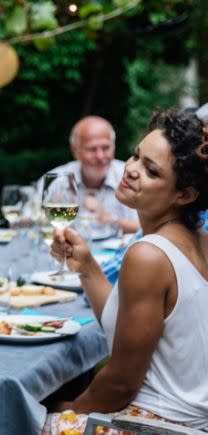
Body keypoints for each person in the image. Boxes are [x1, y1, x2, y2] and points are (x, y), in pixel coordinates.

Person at [45, 110, 208, 432]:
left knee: (8, 411)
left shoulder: (148, 255)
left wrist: (70, 411)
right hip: (192, 423)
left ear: (185, 194)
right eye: (136, 155)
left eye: (150, 171)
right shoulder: (198, 241)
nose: (131, 170)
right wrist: (87, 267)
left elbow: (120, 383)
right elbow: (129, 327)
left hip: (153, 423)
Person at [37, 116, 139, 234]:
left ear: (114, 147)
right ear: (75, 151)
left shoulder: (129, 176)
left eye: (106, 148)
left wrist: (109, 220)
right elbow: (24, 221)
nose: (100, 156)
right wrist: (50, 213)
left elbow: (146, 228)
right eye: (92, 149)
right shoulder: (56, 180)